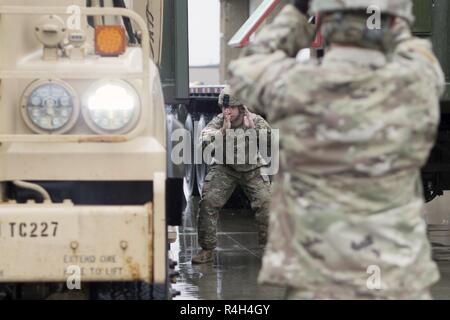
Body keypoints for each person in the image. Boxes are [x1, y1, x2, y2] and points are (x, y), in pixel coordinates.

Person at [228, 0, 445, 299]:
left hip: (317, 279)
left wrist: (297, 11)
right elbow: (417, 51)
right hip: (397, 277)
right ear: (395, 22)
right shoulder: (417, 81)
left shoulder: (292, 83)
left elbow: (246, 67)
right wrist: (391, 17)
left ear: (324, 20)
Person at [191, 86, 273, 264]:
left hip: (252, 168)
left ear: (241, 108)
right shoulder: (218, 122)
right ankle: (207, 249)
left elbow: (271, 143)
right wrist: (222, 132)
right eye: (223, 107)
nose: (227, 111)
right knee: (208, 203)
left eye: (231, 108)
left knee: (267, 204)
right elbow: (203, 142)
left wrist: (254, 130)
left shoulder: (254, 120)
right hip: (225, 168)